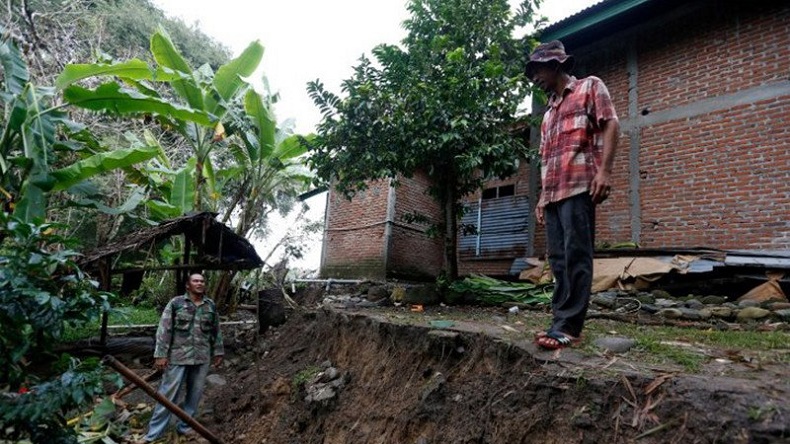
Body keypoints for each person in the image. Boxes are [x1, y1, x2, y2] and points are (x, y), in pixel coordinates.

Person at [526, 40, 620, 350]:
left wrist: (605, 172)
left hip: (579, 186)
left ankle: (570, 327)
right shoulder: (548, 114)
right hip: (554, 194)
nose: (534, 78)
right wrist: (542, 197)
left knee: (577, 254)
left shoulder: (589, 87)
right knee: (558, 260)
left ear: (555, 65)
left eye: (538, 70)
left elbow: (611, 124)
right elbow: (546, 158)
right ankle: (559, 322)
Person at [143, 273, 224, 442]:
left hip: (202, 357)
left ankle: (185, 428)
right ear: (188, 285)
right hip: (178, 356)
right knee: (168, 394)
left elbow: (216, 330)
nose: (199, 283)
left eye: (202, 281)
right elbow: (164, 329)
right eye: (195, 281)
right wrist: (160, 354)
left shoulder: (210, 305)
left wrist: (218, 352)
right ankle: (154, 434)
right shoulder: (176, 303)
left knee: (194, 395)